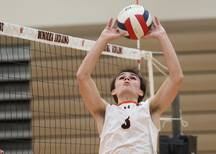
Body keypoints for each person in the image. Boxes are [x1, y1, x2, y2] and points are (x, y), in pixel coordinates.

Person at [76, 17, 183, 154]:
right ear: (113, 91)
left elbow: (176, 77)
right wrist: (103, 39)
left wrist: (162, 36)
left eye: (133, 78)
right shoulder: (104, 112)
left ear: (140, 92)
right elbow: (82, 76)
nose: (127, 79)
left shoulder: (150, 109)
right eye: (122, 78)